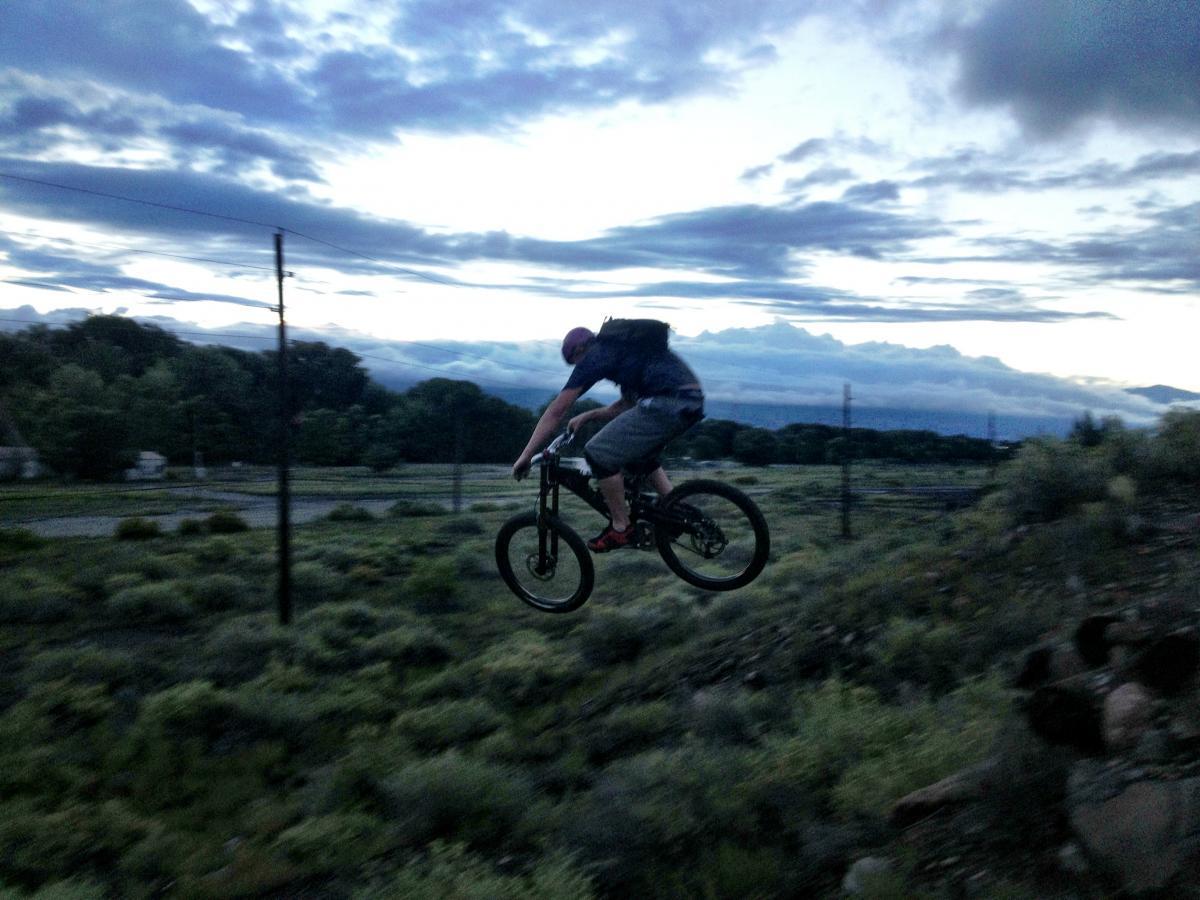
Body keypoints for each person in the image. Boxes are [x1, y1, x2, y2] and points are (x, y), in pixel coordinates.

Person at [511, 323, 704, 552]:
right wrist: (589, 415)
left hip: (667, 403)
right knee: (638, 456)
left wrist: (525, 456)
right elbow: (627, 405)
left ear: (581, 348)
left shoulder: (596, 355)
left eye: (577, 361)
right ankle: (675, 508)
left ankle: (621, 528)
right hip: (690, 401)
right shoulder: (625, 353)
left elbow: (556, 411)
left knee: (598, 452)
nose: (579, 367)